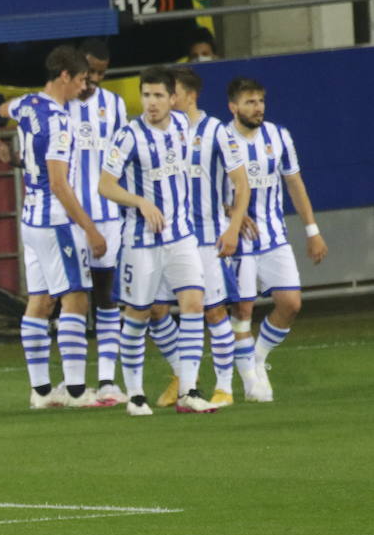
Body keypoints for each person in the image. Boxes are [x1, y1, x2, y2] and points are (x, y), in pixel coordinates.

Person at [98, 67, 217, 415]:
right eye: (146, 95)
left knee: (193, 305)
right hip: (141, 241)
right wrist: (140, 202)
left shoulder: (182, 125)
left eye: (158, 96)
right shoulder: (128, 136)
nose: (150, 102)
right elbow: (105, 185)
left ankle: (189, 390)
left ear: (172, 98)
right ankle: (135, 395)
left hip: (181, 236)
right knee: (138, 314)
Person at [0, 45, 108, 408]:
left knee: (39, 301)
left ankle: (42, 392)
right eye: (81, 79)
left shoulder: (28, 104)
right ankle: (76, 391)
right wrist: (91, 229)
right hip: (55, 220)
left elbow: (3, 109)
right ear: (64, 76)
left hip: (30, 219)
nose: (83, 87)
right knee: (75, 299)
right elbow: (60, 184)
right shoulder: (60, 121)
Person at [224, 77, 328, 402]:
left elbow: (295, 184)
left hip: (274, 236)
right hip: (238, 240)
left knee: (291, 303)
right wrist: (231, 212)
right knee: (242, 309)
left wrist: (313, 231)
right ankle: (250, 382)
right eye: (250, 102)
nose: (258, 108)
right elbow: (204, 191)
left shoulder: (278, 135)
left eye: (261, 101)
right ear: (233, 107)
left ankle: (257, 358)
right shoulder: (221, 140)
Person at [170, 66, 251, 405]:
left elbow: (241, 183)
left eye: (173, 93)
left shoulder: (216, 131)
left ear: (190, 96)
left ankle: (224, 386)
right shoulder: (164, 132)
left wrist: (232, 227)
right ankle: (183, 377)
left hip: (207, 238)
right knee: (155, 309)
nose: (168, 99)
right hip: (173, 238)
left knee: (214, 311)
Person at [69, 39, 130, 405]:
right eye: (90, 70)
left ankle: (107, 380)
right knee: (73, 299)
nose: (94, 78)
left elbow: (124, 158)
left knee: (107, 297)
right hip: (68, 217)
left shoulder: (115, 105)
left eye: (101, 73)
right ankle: (73, 386)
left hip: (108, 216)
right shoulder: (59, 104)